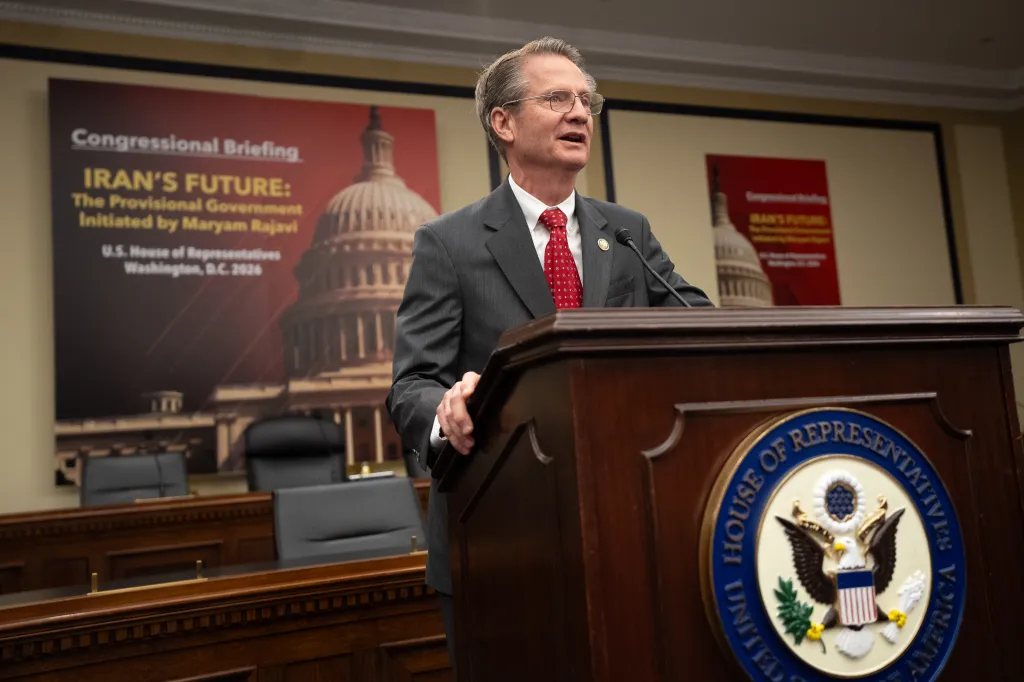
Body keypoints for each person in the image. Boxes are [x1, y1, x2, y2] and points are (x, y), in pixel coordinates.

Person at [385, 36, 713, 665]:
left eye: (587, 101)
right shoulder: (449, 243)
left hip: (629, 527)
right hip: (501, 536)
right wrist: (445, 409)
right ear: (503, 123)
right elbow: (413, 383)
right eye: (558, 98)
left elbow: (695, 319)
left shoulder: (628, 231)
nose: (580, 113)